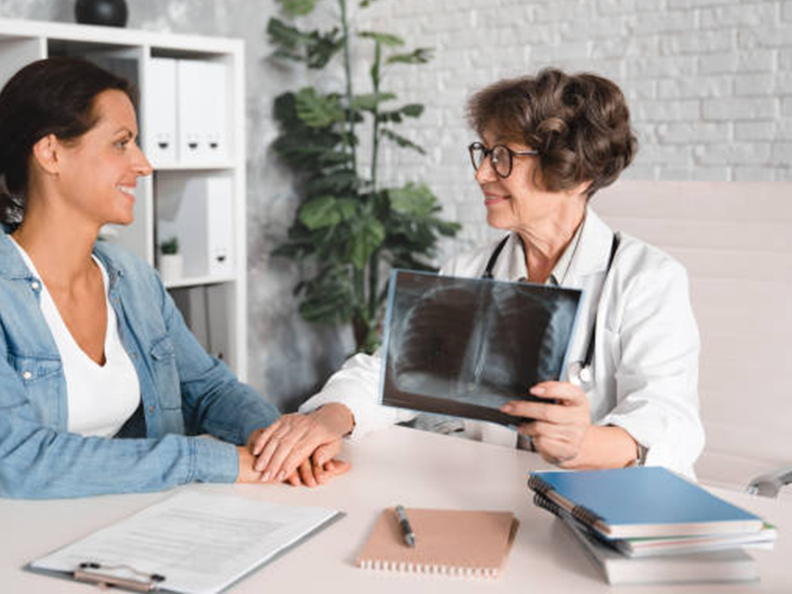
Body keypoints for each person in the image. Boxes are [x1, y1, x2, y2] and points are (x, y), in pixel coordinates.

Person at [252, 68, 704, 484]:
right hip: (492, 495)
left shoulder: (646, 279)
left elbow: (670, 420)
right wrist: (326, 421)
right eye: (484, 152)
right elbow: (391, 372)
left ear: (576, 173)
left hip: (601, 503)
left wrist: (581, 444)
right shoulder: (468, 271)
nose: (482, 173)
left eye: (503, 156)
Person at [0, 57, 346, 499]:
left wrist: (280, 443)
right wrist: (205, 461)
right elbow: (16, 462)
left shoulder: (132, 278)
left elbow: (207, 390)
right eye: (121, 143)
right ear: (51, 153)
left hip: (119, 518)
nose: (143, 164)